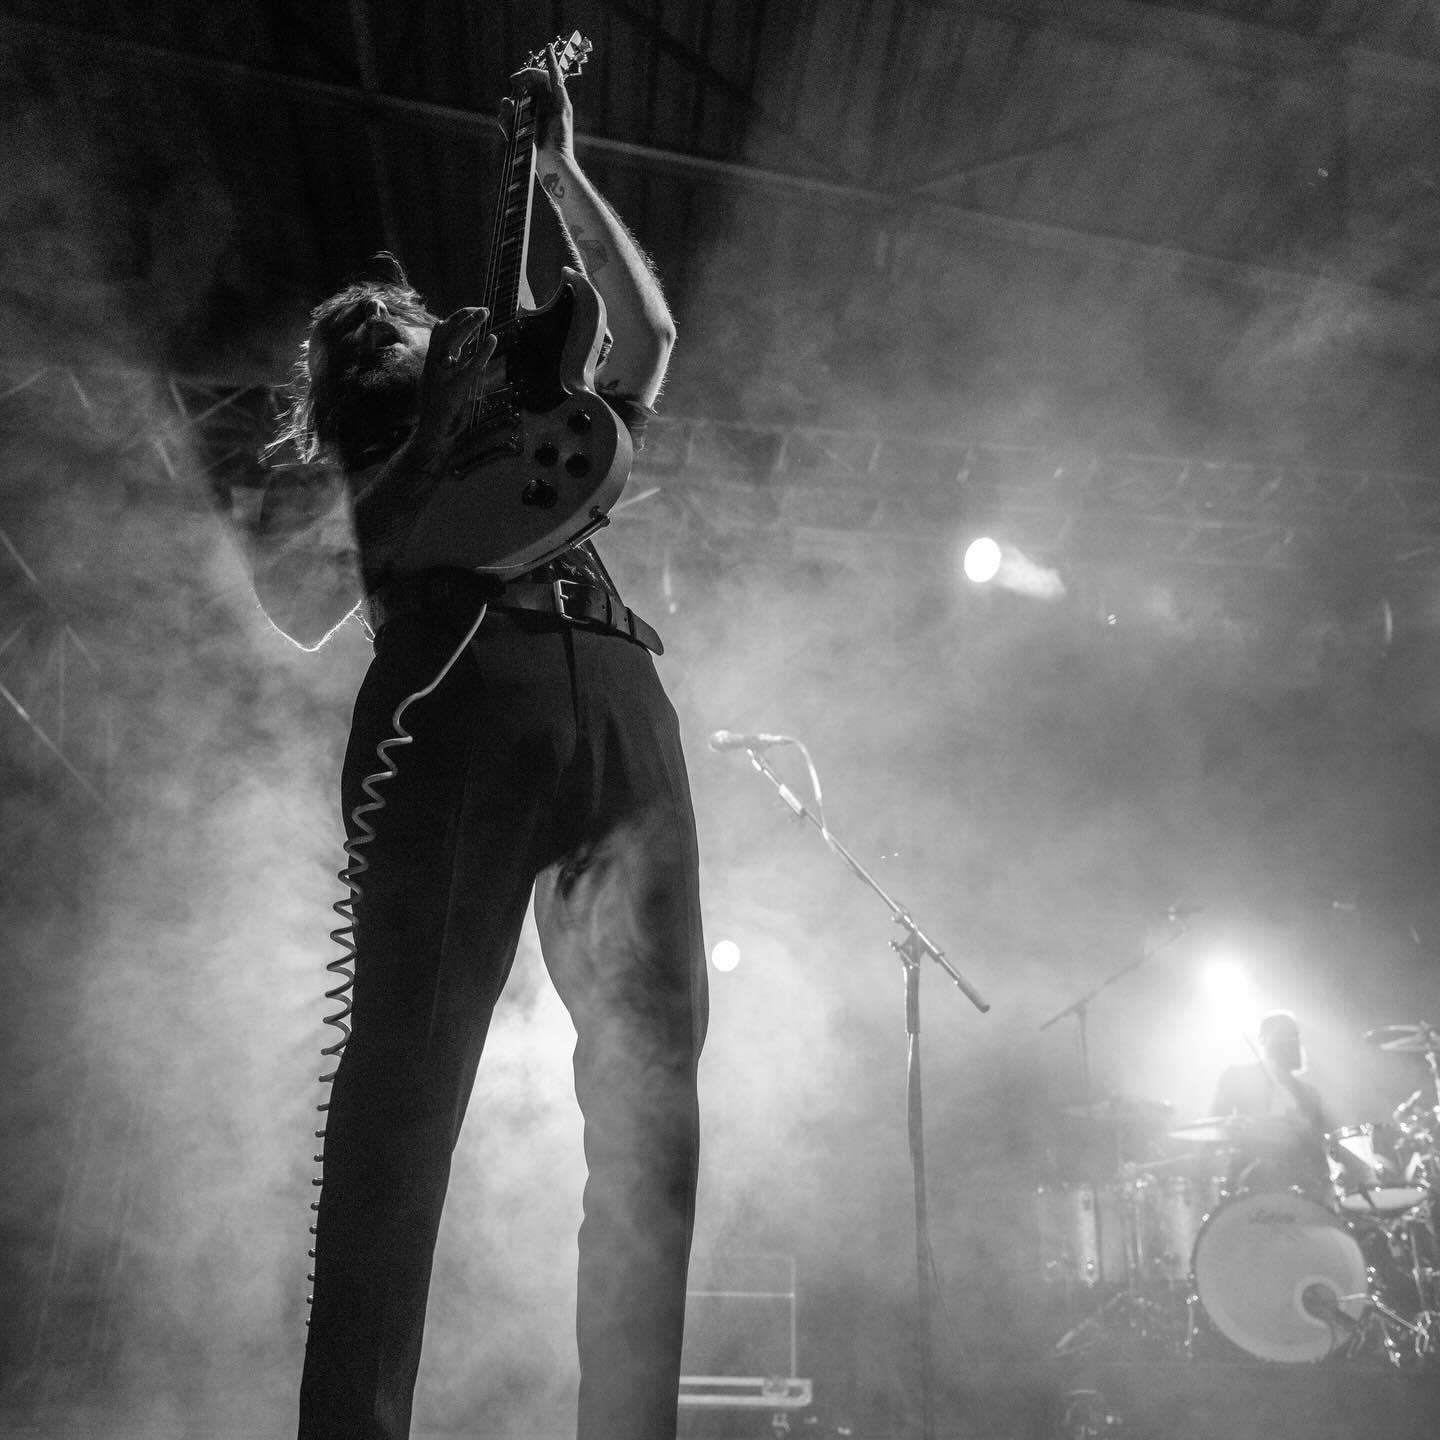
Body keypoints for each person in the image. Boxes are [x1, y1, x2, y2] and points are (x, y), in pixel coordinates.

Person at [247, 47, 707, 1440]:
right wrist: (416, 441)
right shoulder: (352, 476)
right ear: (338, 384)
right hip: (456, 695)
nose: (396, 329)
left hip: (614, 685)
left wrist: (560, 170)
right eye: (363, 338)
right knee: (406, 1080)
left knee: (651, 1089)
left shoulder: (529, 407)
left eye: (403, 318)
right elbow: (293, 606)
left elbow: (647, 337)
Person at [1209, 1011, 1333, 1199]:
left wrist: (1307, 1130)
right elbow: (1213, 1127)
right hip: (1248, 1180)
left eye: (1294, 1036)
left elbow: (1322, 1146)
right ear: (1263, 1039)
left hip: (1301, 1184)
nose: (1290, 1042)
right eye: (1282, 1034)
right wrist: (1243, 1126)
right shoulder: (1237, 1077)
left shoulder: (1309, 1093)